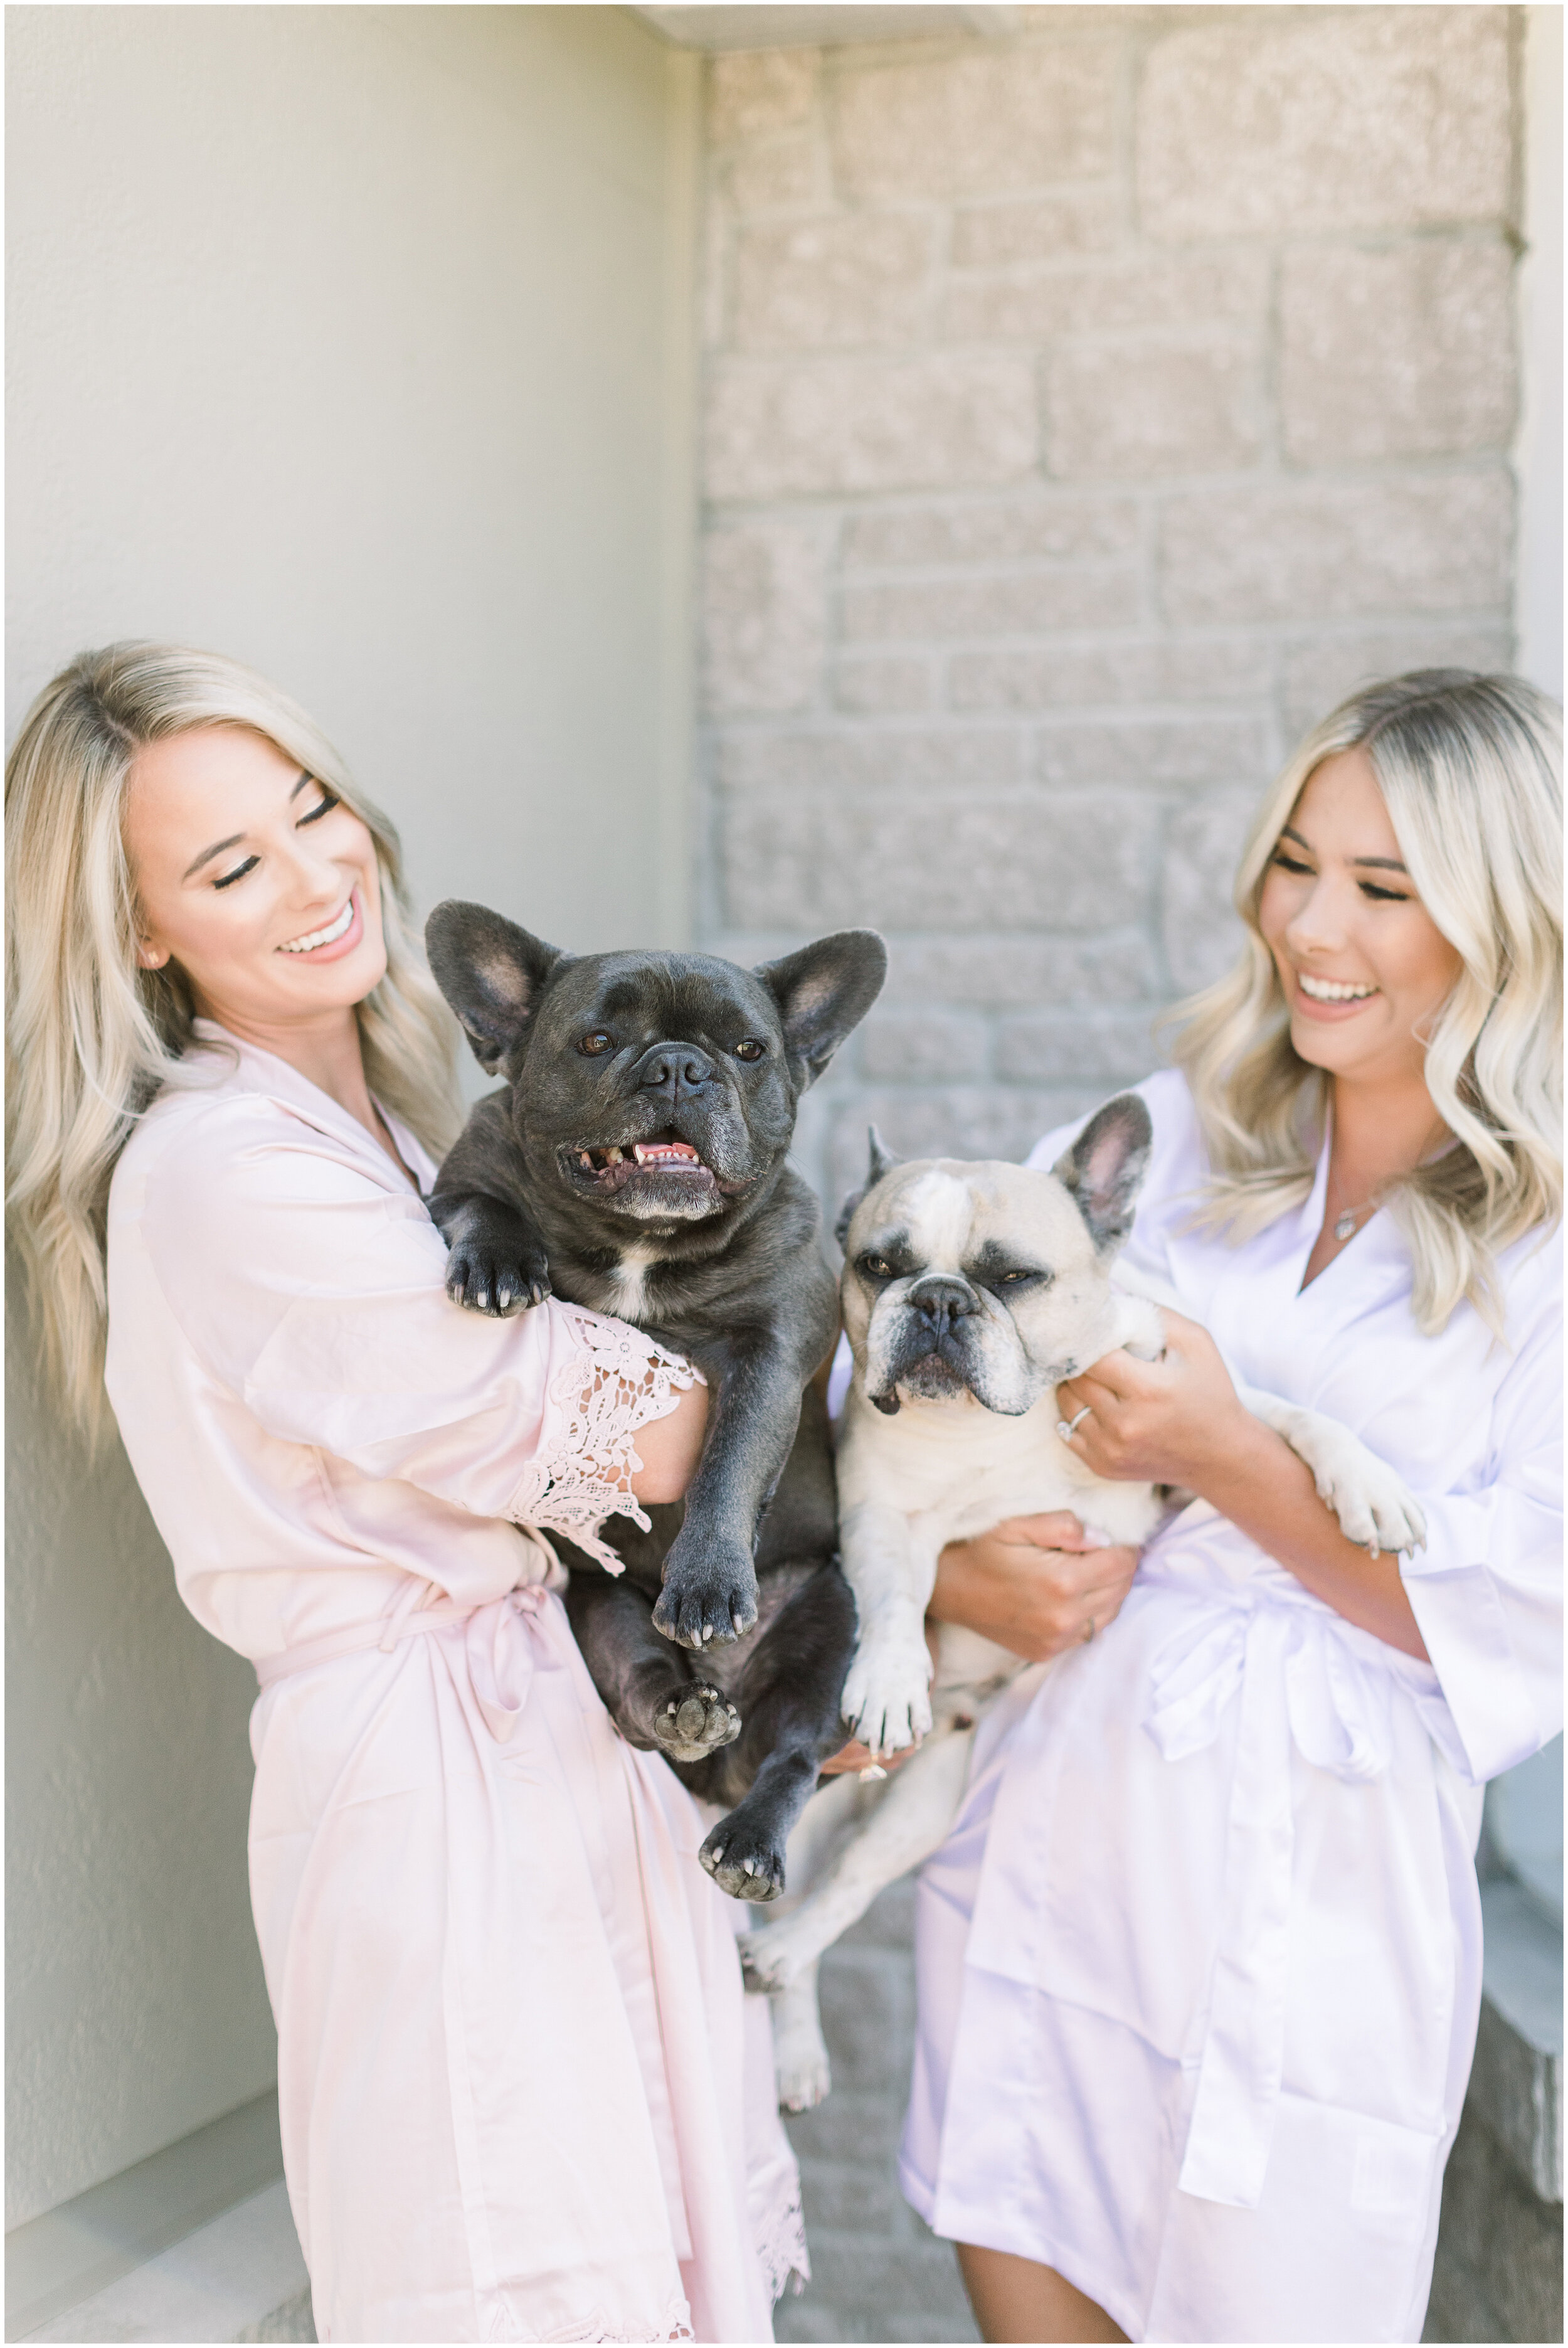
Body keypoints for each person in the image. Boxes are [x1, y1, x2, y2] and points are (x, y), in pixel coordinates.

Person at [6, 641, 806, 2344]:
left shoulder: (419, 1134)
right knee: (520, 2276)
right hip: (437, 1791)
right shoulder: (226, 1170)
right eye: (233, 864)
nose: (315, 873)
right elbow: (613, 1427)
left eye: (313, 810)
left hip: (567, 1725)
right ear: (144, 930)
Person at [901, 671, 1562, 2345]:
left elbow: (1525, 1608)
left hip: (1307, 1889)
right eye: (1293, 861)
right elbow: (911, 1377)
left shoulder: (1548, 1241)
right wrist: (955, 1581)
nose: (1307, 925)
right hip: (1060, 1814)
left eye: (1383, 889)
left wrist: (1222, 1453)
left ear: (1508, 919)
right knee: (1022, 2260)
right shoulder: (1183, 1135)